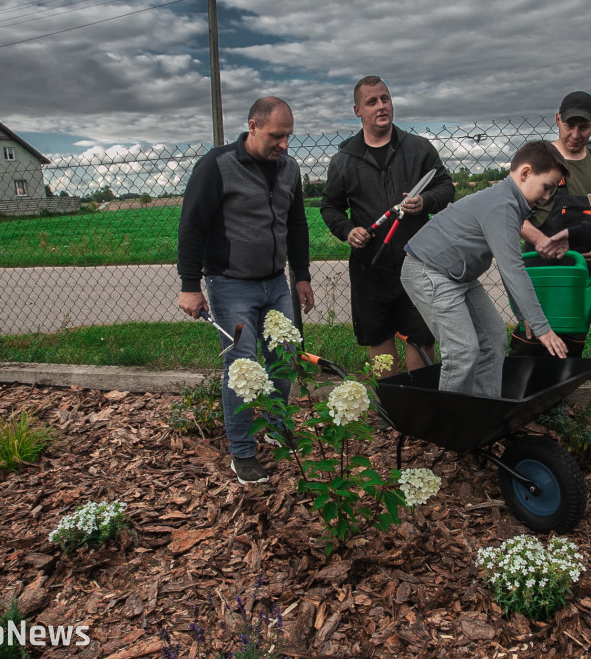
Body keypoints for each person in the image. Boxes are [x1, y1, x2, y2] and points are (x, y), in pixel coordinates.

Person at [176, 97, 315, 486]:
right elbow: (192, 226)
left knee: (285, 356)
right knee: (243, 368)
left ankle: (275, 424)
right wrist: (190, 285)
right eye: (276, 135)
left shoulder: (289, 169)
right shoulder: (217, 167)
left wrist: (300, 275)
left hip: (276, 282)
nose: (285, 144)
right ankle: (241, 452)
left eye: (288, 135)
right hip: (231, 283)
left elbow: (298, 224)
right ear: (253, 126)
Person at [400, 141, 570, 397]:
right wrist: (542, 327)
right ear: (524, 174)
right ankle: (450, 427)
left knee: (493, 337)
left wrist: (523, 313)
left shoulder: (508, 203)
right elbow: (513, 269)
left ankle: (482, 412)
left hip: (458, 276)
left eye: (552, 191)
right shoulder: (502, 206)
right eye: (546, 187)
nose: (547, 197)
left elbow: (508, 266)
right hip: (428, 271)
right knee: (462, 351)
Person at [320, 76, 455, 374]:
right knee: (378, 336)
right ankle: (392, 408)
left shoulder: (419, 149)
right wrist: (347, 230)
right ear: (357, 110)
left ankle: (421, 404)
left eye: (385, 99)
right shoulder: (344, 160)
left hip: (418, 262)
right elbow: (330, 207)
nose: (381, 106)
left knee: (421, 335)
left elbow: (446, 188)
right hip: (371, 266)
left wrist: (426, 201)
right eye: (372, 102)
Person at [510, 91, 591, 358]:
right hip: (542, 269)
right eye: (569, 125)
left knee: (571, 343)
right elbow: (510, 215)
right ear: (558, 120)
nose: (575, 134)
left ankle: (560, 394)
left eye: (584, 127)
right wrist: (541, 241)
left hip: (582, 273)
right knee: (533, 342)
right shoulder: (538, 160)